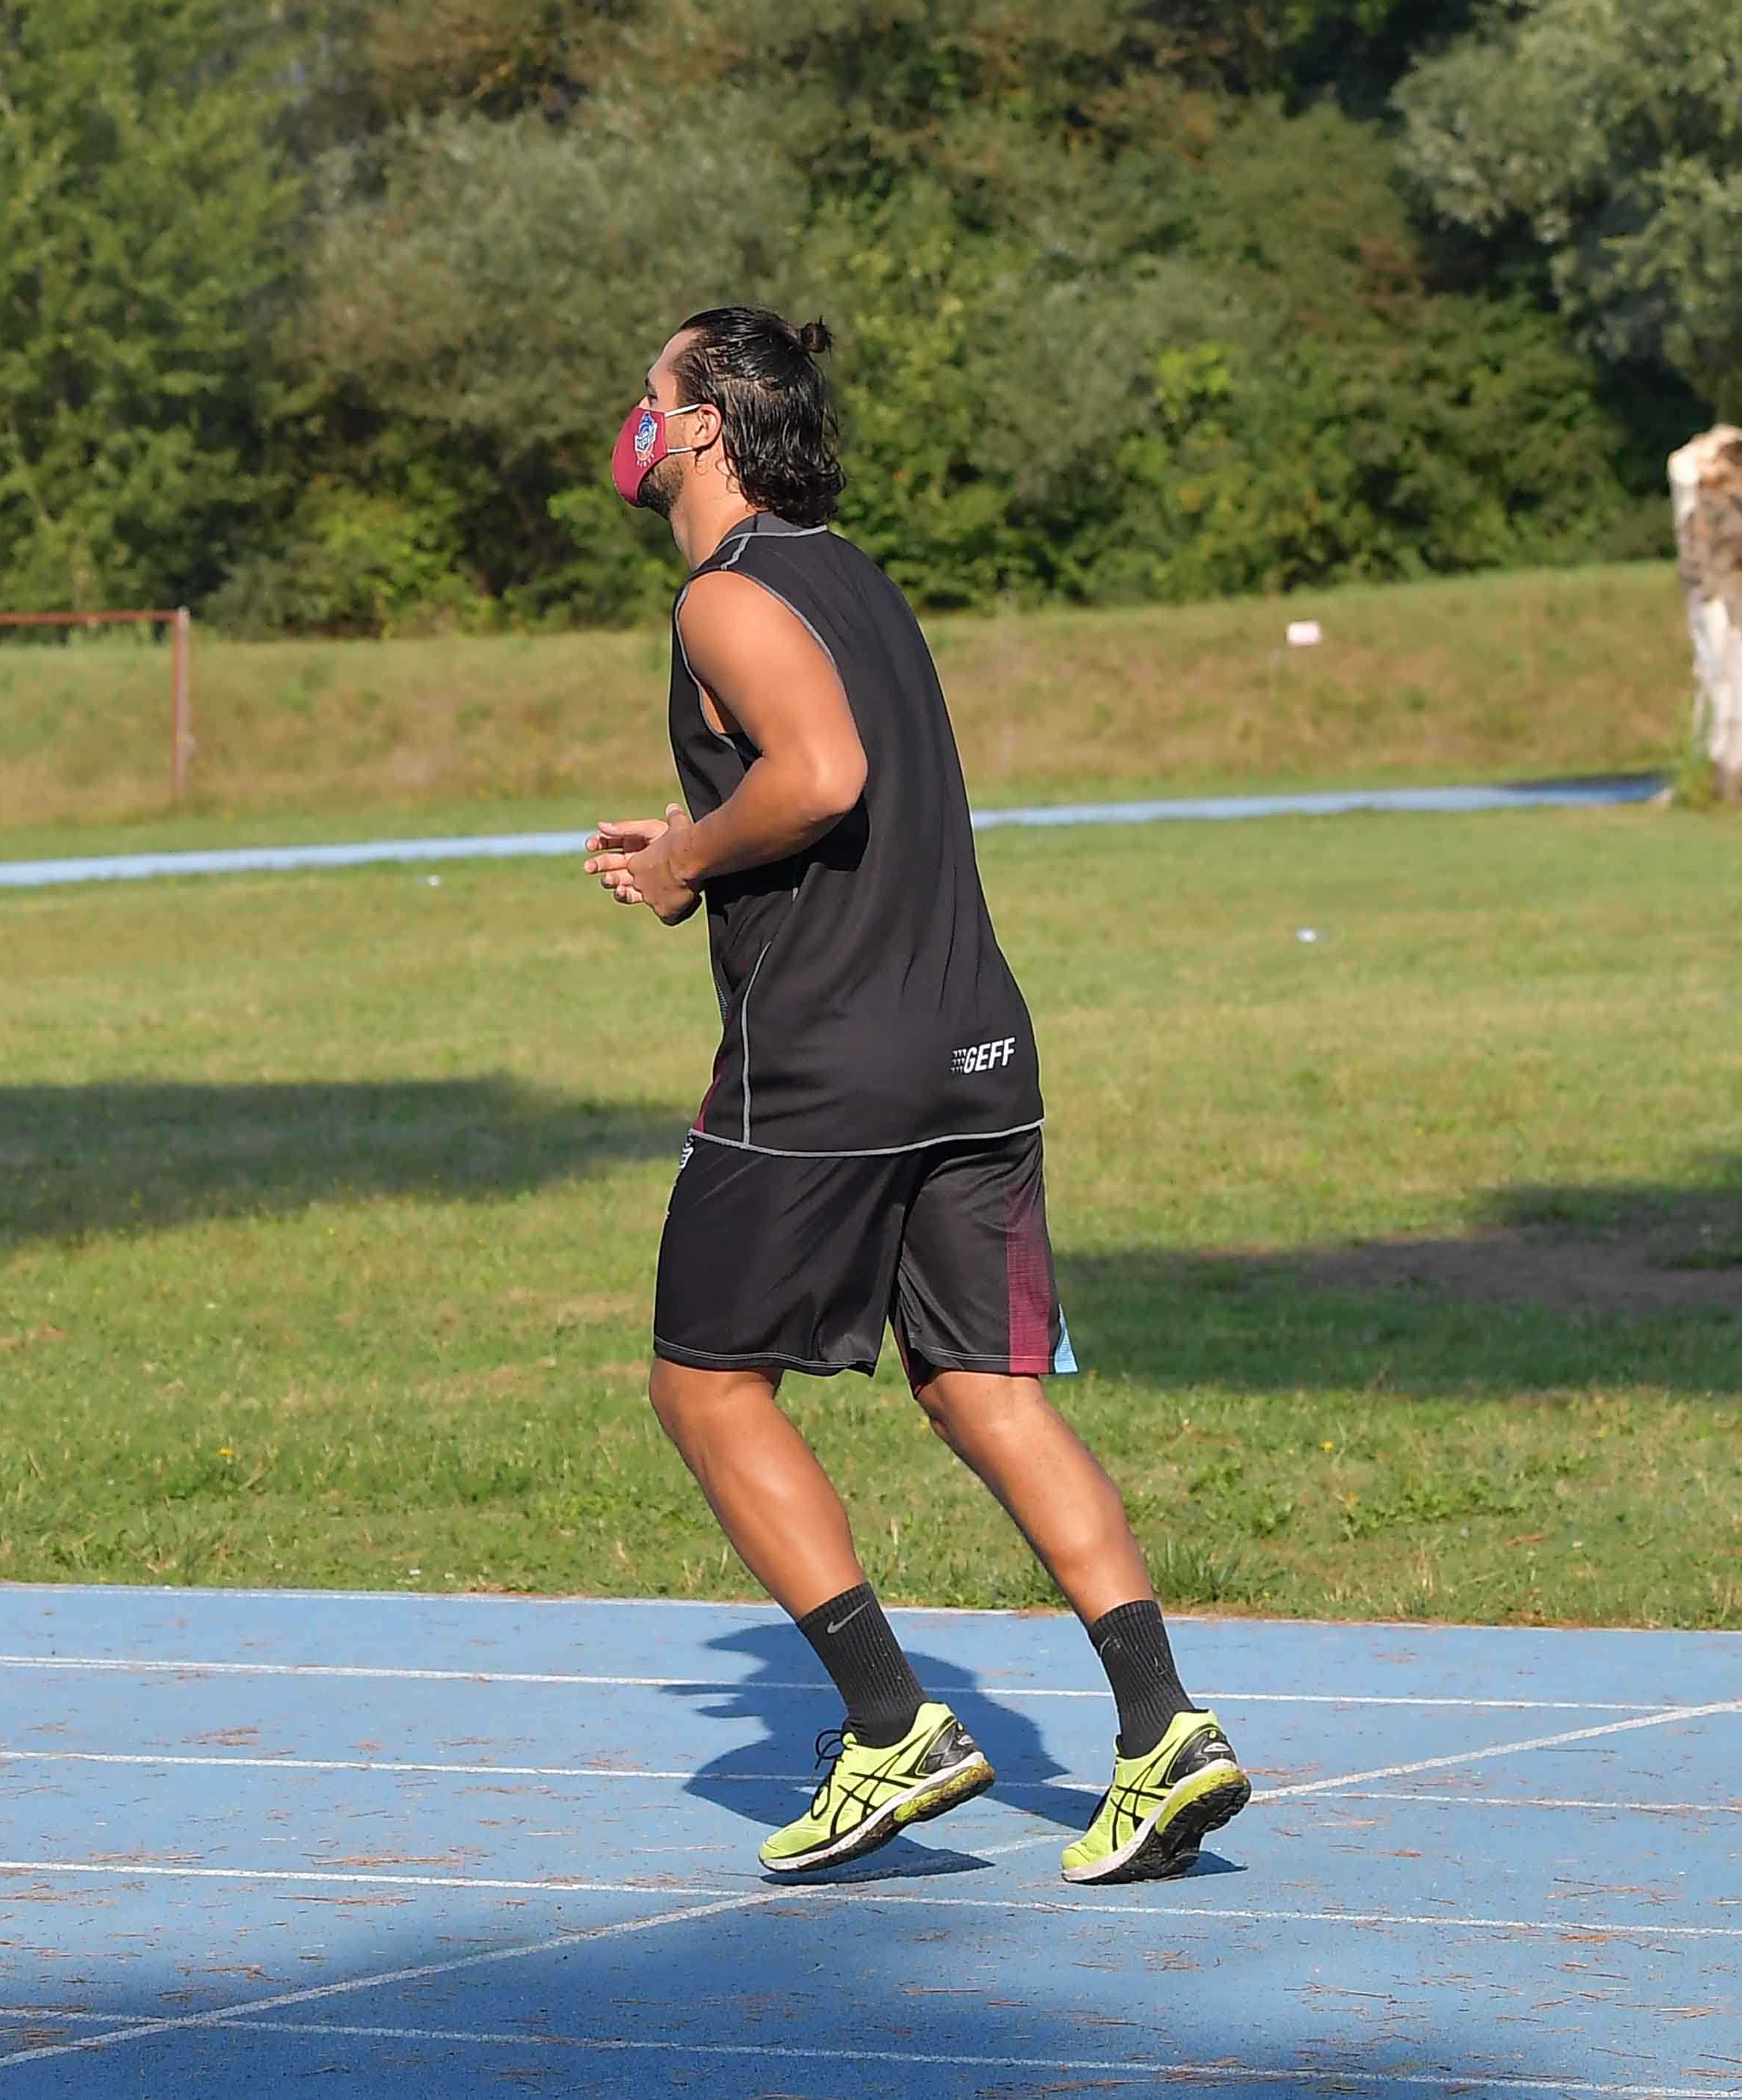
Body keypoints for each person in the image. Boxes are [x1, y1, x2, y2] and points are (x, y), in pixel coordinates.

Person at [580, 307, 1248, 1884]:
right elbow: (820, 783)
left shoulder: (722, 594)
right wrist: (702, 845)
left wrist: (681, 859)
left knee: (703, 1385)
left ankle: (889, 1723)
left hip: (831, 1060)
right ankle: (1161, 1728)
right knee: (980, 1389)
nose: (632, 415)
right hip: (975, 1047)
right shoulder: (854, 575)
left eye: (651, 390)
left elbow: (820, 776)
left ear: (701, 426)